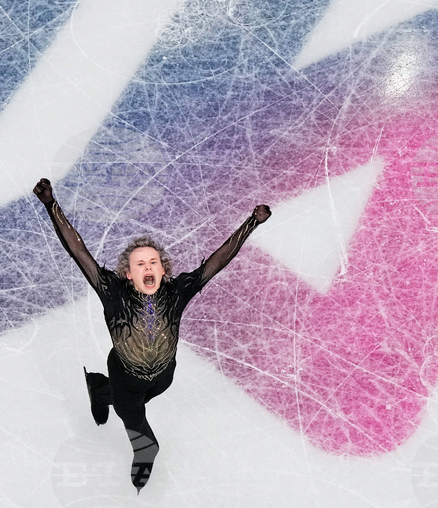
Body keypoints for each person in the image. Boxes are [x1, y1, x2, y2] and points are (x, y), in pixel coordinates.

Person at [33, 178, 270, 493]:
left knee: (132, 398)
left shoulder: (178, 291)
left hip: (163, 375)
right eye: (139, 263)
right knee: (138, 425)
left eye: (153, 262)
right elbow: (78, 250)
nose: (147, 266)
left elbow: (217, 261)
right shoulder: (112, 291)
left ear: (163, 271)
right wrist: (51, 204)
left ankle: (98, 390)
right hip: (126, 375)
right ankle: (143, 448)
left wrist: (252, 222)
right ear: (128, 273)